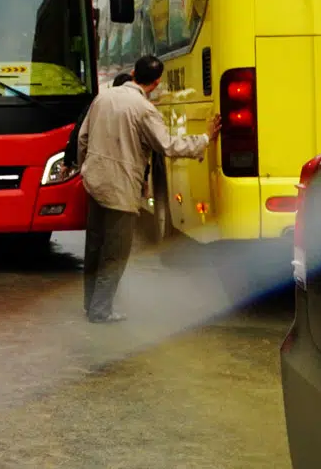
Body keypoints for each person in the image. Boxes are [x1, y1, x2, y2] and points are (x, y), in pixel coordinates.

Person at [77, 54, 219, 322]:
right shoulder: (144, 109)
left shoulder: (103, 97)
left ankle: (90, 303)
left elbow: (83, 139)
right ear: (155, 83)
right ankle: (100, 310)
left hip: (95, 181)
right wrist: (205, 138)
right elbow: (167, 146)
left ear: (132, 72)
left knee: (94, 246)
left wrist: (85, 169)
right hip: (120, 186)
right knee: (115, 251)